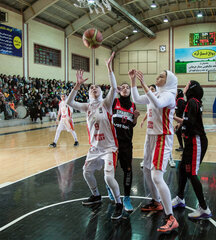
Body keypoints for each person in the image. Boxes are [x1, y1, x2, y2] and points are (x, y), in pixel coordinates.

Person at [66, 52, 123, 220]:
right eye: (91, 87)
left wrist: (109, 69)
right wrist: (77, 86)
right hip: (95, 148)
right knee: (86, 172)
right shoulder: (86, 107)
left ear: (100, 91)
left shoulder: (106, 103)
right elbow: (69, 103)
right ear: (89, 93)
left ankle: (118, 203)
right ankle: (96, 195)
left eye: (96, 87)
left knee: (108, 177)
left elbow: (113, 87)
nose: (94, 88)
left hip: (109, 148)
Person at [130, 69, 179, 233]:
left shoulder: (169, 95)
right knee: (146, 170)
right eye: (157, 75)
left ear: (169, 80)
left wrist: (144, 84)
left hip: (162, 137)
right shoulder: (155, 94)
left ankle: (170, 217)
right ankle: (156, 201)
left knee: (156, 176)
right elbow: (136, 98)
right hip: (150, 137)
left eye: (162, 76)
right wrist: (133, 81)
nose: (157, 77)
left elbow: (158, 104)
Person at [172, 80, 212, 220]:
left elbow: (190, 122)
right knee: (182, 169)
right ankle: (180, 198)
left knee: (191, 173)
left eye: (187, 84)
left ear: (192, 88)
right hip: (190, 141)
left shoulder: (193, 102)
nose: (185, 86)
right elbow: (187, 121)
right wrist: (180, 125)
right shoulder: (191, 102)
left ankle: (204, 208)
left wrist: (173, 118)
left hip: (196, 141)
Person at [110, 82, 140, 212]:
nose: (126, 89)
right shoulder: (114, 102)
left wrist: (136, 118)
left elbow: (131, 125)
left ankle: (127, 198)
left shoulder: (133, 105)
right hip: (113, 144)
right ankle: (109, 188)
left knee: (128, 171)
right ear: (119, 90)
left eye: (128, 87)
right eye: (123, 87)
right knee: (111, 170)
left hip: (127, 144)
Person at [139, 84, 157, 168]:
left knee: (158, 146)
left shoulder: (159, 100)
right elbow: (147, 112)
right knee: (147, 145)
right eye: (150, 89)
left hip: (158, 128)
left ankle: (169, 159)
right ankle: (146, 160)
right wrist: (143, 120)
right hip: (150, 127)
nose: (151, 91)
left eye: (152, 89)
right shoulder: (148, 101)